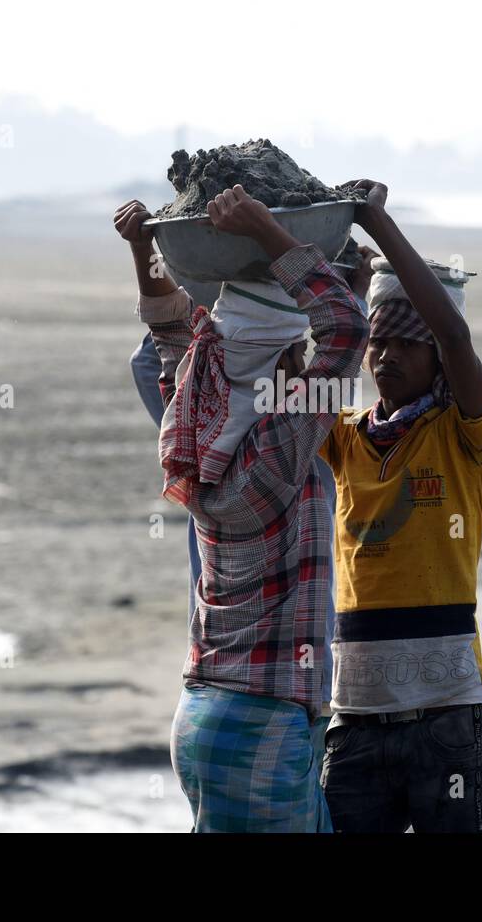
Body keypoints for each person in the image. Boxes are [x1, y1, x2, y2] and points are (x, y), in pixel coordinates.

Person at [115, 185, 369, 831]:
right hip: (263, 724)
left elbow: (170, 330)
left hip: (202, 716)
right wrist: (269, 236)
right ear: (281, 364)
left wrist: (145, 247)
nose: (306, 365)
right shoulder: (275, 449)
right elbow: (346, 331)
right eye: (296, 357)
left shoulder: (200, 418)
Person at [317, 179, 482, 833]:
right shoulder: (344, 436)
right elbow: (287, 367)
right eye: (379, 343)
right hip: (355, 724)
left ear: (438, 360)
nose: (387, 356)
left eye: (407, 344)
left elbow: (456, 334)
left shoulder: (467, 434)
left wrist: (378, 225)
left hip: (448, 720)